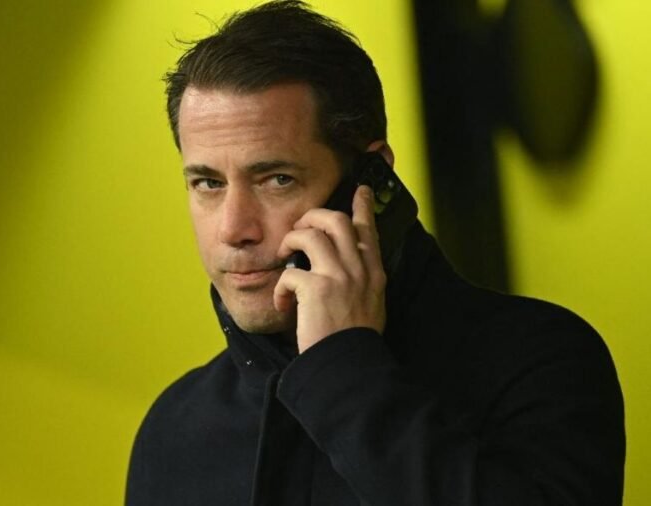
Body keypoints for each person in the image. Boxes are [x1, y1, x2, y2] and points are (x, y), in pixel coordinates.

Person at [125, 1, 625, 505]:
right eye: (208, 183)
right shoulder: (175, 430)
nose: (234, 230)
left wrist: (343, 370)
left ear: (371, 178)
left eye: (277, 180)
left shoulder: (541, 363)